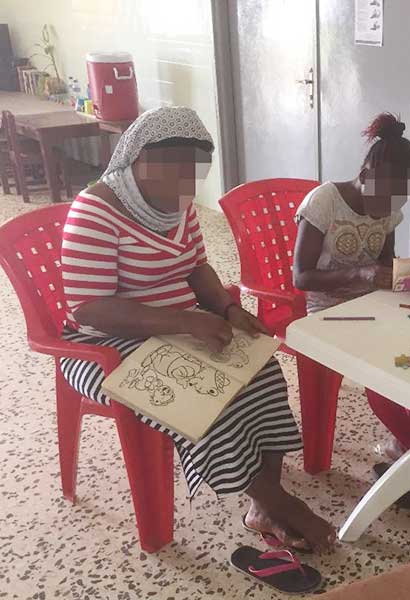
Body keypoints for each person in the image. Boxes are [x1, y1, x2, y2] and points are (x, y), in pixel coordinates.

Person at [59, 108, 336, 565]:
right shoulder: (92, 212)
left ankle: (264, 503)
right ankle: (280, 505)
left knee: (262, 370)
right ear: (142, 161)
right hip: (102, 347)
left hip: (176, 326)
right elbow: (90, 309)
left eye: (195, 175)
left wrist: (228, 309)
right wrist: (186, 323)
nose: (188, 190)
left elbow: (197, 268)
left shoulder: (176, 206)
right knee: (205, 398)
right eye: (179, 174)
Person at [293, 113, 410, 507]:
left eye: (398, 200)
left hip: (372, 301)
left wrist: (408, 275)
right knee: (383, 368)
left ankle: (406, 442)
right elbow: (302, 277)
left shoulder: (388, 210)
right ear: (366, 172)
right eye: (384, 197)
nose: (387, 208)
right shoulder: (324, 202)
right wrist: (361, 273)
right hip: (328, 311)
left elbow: (387, 260)